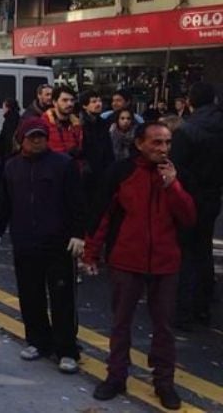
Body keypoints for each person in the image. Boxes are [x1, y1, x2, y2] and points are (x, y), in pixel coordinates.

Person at [84, 122, 196, 410]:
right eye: (156, 142)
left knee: (164, 327)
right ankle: (116, 376)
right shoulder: (121, 172)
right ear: (139, 144)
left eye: (167, 142)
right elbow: (103, 213)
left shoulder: (178, 174)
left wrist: (173, 186)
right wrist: (91, 253)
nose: (163, 148)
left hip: (165, 262)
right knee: (121, 322)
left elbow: (189, 217)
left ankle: (164, 382)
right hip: (126, 260)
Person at [0, 117, 84, 375]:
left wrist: (78, 234)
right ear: (22, 140)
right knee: (30, 295)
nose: (37, 140)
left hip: (58, 243)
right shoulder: (12, 167)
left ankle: (67, 350)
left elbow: (77, 202)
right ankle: (38, 341)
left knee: (62, 297)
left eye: (41, 136)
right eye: (32, 137)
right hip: (25, 241)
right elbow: (4, 201)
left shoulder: (63, 164)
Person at [171, 82, 223, 330]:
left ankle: (184, 311)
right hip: (212, 195)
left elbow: (177, 167)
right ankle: (203, 307)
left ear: (190, 101)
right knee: (203, 249)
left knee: (186, 253)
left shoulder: (186, 130)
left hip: (190, 196)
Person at [79, 90, 114, 200]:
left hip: (102, 169)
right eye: (93, 101)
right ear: (85, 105)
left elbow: (108, 147)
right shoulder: (79, 124)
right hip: (86, 171)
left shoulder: (103, 123)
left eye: (99, 101)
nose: (98, 104)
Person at [0, 98, 21, 181]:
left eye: (4, 107)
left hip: (8, 152)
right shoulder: (17, 117)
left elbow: (6, 136)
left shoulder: (9, 120)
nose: (2, 109)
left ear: (8, 108)